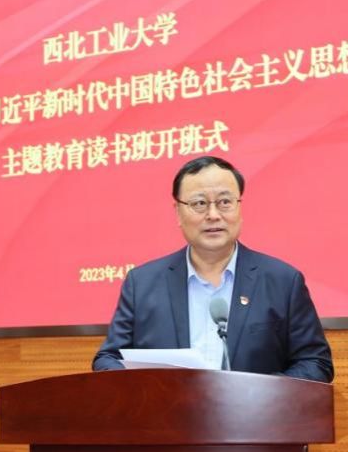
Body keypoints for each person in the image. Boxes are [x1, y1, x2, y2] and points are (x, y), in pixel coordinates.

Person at [92, 156, 333, 382]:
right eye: (199, 203)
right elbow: (108, 359)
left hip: (255, 413)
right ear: (178, 212)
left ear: (239, 207)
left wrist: (261, 394)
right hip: (167, 412)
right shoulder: (142, 283)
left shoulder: (283, 281)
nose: (213, 215)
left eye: (225, 202)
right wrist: (150, 388)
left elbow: (316, 363)